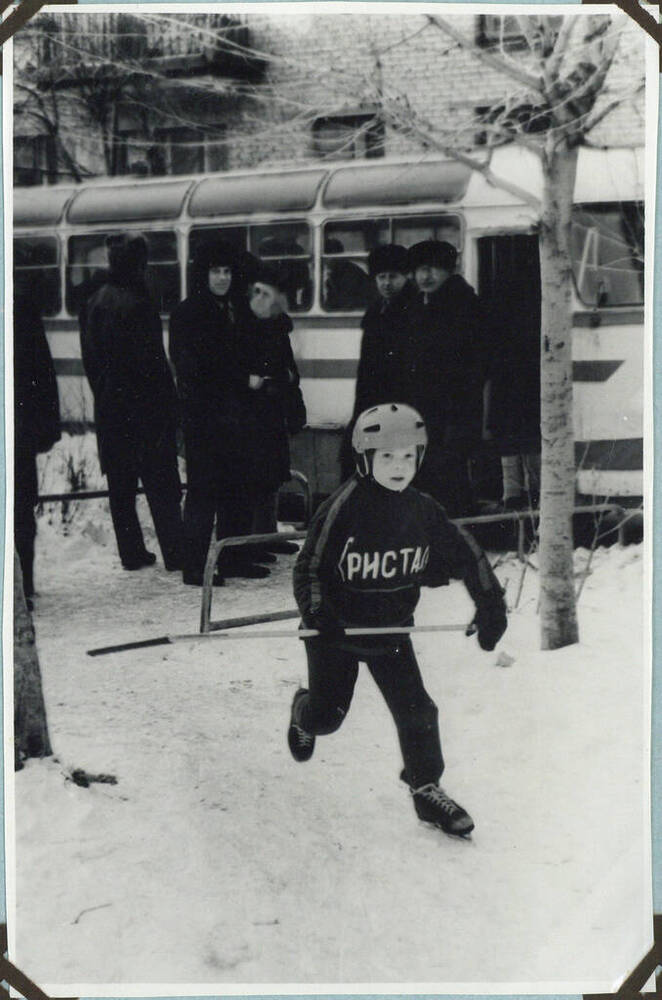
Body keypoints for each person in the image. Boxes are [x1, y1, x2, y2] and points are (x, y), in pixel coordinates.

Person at [288, 403, 507, 837]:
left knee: (419, 712)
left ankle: (427, 790)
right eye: (386, 456)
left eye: (408, 456)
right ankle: (302, 713)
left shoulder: (422, 509)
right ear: (365, 459)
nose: (399, 466)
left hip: (391, 631)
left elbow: (466, 553)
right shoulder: (343, 508)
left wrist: (490, 605)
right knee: (328, 717)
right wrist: (318, 614)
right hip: (335, 632)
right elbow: (309, 567)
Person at [169, 240, 270, 585]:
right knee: (203, 493)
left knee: (237, 489)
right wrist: (245, 379)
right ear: (204, 274)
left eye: (227, 271)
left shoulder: (238, 309)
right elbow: (194, 370)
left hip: (239, 418)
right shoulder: (188, 313)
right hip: (205, 419)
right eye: (215, 271)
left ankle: (234, 558)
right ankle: (194, 566)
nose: (222, 278)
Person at [80, 232, 182, 572]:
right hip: (145, 413)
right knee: (162, 486)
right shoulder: (140, 302)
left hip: (111, 410)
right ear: (138, 263)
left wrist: (105, 395)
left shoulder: (94, 301)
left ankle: (132, 553)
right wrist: (169, 406)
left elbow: (90, 361)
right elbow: (153, 364)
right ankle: (176, 552)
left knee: (121, 489)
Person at [404, 239, 487, 517]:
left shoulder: (464, 306)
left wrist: (457, 414)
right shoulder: (420, 306)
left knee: (449, 477)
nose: (425, 276)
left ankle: (456, 537)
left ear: (448, 271)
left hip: (453, 413)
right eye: (420, 270)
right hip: (425, 411)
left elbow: (475, 366)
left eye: (433, 269)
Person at [237, 262, 306, 555]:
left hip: (273, 410)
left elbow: (290, 368)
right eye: (259, 293)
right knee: (255, 477)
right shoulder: (243, 326)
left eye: (268, 294)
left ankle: (267, 537)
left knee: (272, 476)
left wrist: (287, 377)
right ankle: (256, 541)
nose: (263, 299)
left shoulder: (279, 326)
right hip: (251, 414)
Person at [340, 244, 415, 480]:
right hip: (371, 404)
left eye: (393, 276)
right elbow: (366, 369)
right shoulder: (375, 311)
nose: (386, 283)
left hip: (399, 406)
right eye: (381, 277)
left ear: (406, 276)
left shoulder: (413, 311)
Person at [14, 284, 61, 607]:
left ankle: (23, 586)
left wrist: (47, 426)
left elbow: (41, 369)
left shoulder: (21, 306)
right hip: (18, 431)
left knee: (20, 509)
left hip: (17, 431)